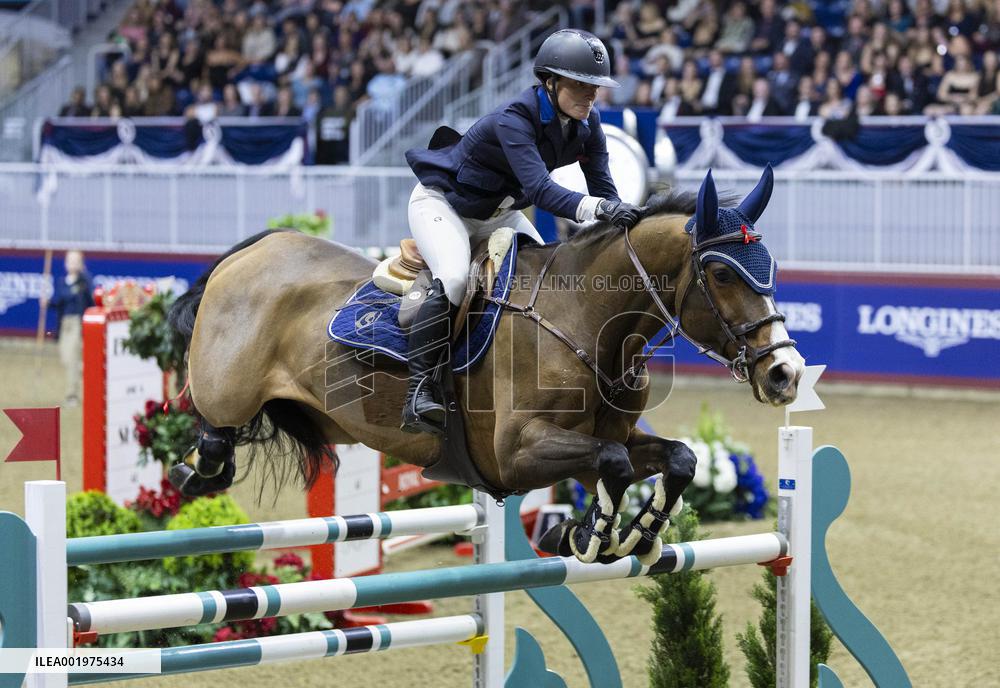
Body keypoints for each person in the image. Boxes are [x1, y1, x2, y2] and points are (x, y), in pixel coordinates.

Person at [401, 29, 639, 434]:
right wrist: (598, 208)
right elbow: (540, 190)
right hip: (443, 205)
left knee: (547, 277)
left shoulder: (588, 124)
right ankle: (419, 391)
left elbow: (603, 190)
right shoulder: (515, 118)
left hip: (499, 212)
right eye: (580, 84)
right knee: (456, 277)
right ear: (551, 81)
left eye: (595, 86)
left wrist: (627, 218)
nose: (590, 94)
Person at [43, 251, 94, 407]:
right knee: (66, 359)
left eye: (76, 261)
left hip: (77, 324)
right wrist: (47, 303)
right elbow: (58, 302)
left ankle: (72, 395)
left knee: (72, 359)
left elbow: (90, 301)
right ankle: (85, 370)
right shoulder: (61, 282)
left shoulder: (84, 282)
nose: (72, 263)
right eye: (70, 261)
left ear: (81, 263)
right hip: (64, 324)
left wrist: (84, 274)